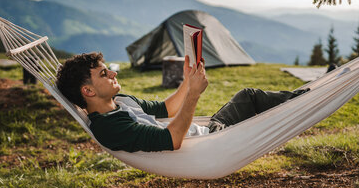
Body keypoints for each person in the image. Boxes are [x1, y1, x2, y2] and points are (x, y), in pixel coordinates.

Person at [56, 52, 308, 153]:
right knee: (251, 99)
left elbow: (167, 109)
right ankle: (306, 100)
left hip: (209, 131)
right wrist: (194, 95)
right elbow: (172, 140)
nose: (113, 73)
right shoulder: (110, 127)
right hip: (211, 144)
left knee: (247, 96)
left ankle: (308, 97)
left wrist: (187, 82)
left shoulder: (122, 101)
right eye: (104, 74)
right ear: (87, 91)